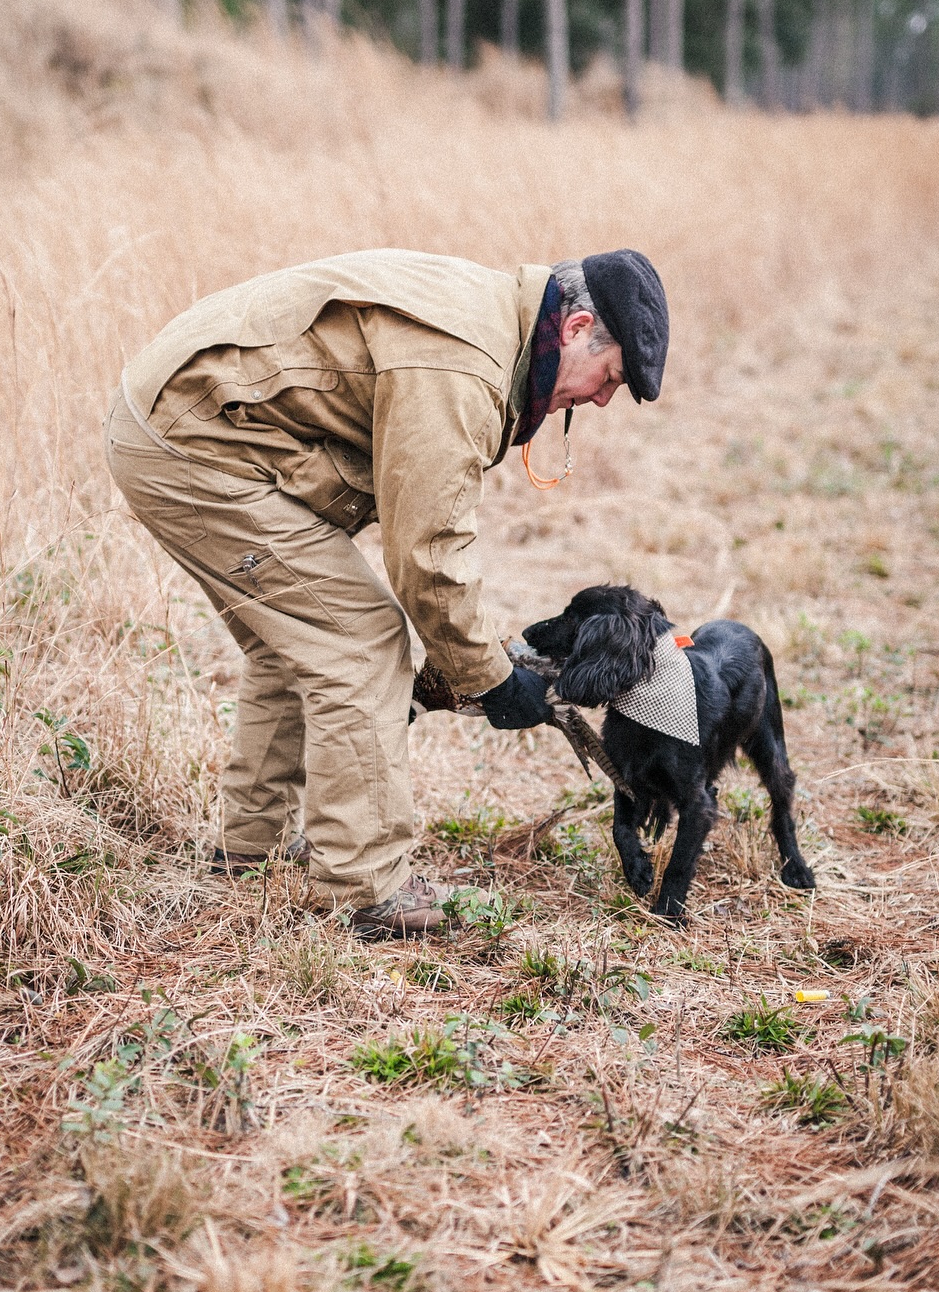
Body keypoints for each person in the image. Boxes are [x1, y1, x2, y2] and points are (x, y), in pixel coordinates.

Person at [105, 247, 669, 936]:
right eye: (608, 380)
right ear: (578, 328)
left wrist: (474, 663)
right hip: (191, 443)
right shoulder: (462, 365)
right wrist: (492, 681)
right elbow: (427, 558)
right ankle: (366, 889)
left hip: (196, 424)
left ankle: (248, 851)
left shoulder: (497, 329)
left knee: (302, 640)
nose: (602, 400)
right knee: (359, 639)